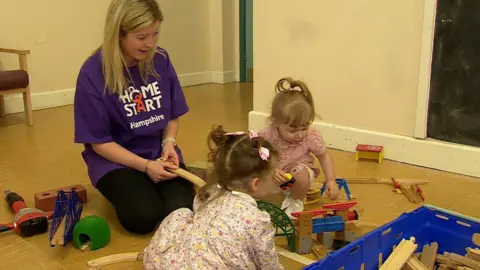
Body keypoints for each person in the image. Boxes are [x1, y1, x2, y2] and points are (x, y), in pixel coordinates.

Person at [73, 0, 195, 235]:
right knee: (143, 218)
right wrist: (146, 166)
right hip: (114, 161)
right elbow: (100, 143)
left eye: (155, 34)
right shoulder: (92, 74)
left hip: (157, 153)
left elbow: (172, 115)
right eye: (141, 37)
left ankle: (147, 186)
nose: (150, 44)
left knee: (182, 211)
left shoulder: (161, 59)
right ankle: (126, 190)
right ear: (119, 33)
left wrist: (168, 143)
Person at [143, 125, 286, 269]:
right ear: (256, 183)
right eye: (273, 174)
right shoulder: (258, 221)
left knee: (183, 215)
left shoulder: (208, 193)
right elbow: (268, 263)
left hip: (178, 263)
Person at [259, 77, 340, 218]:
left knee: (300, 173)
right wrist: (270, 170)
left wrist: (331, 179)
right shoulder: (267, 134)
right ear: (276, 123)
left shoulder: (311, 136)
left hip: (298, 172)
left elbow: (324, 156)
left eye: (304, 127)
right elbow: (255, 153)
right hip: (275, 175)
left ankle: (295, 201)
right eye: (292, 130)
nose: (299, 135)